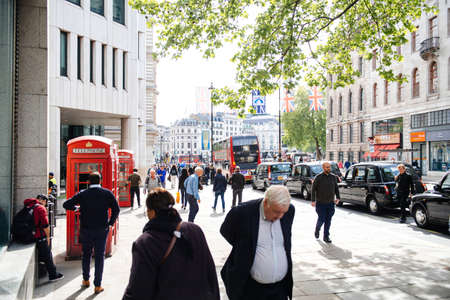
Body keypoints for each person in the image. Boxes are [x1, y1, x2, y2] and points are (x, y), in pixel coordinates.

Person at [122, 188, 220, 300]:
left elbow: (138, 289)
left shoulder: (146, 242)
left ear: (153, 212)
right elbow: (210, 273)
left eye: (147, 211)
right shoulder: (194, 230)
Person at [220, 185, 295, 300]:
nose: (280, 216)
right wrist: (244, 247)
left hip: (280, 289)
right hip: (251, 289)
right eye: (276, 212)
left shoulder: (289, 211)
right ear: (266, 203)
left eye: (283, 212)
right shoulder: (242, 212)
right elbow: (226, 231)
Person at [63, 172, 120, 294]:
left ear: (88, 181)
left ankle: (85, 280)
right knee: (99, 257)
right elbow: (116, 209)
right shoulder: (107, 193)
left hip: (86, 229)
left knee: (86, 255)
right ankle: (97, 285)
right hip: (102, 229)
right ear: (100, 181)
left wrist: (77, 208)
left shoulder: (83, 194)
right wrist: (110, 223)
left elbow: (66, 204)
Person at [23, 197, 64, 282]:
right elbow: (45, 225)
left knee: (42, 255)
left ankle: (42, 272)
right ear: (43, 201)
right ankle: (53, 275)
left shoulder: (27, 207)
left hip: (28, 235)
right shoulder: (40, 208)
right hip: (39, 236)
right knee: (48, 255)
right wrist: (48, 237)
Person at [311, 162, 340, 243]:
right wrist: (313, 200)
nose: (328, 168)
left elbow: (336, 188)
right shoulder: (318, 177)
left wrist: (338, 197)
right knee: (322, 219)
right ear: (323, 168)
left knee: (328, 220)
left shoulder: (333, 177)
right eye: (327, 167)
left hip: (331, 203)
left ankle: (326, 236)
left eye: (329, 167)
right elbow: (313, 189)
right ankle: (317, 229)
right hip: (320, 203)